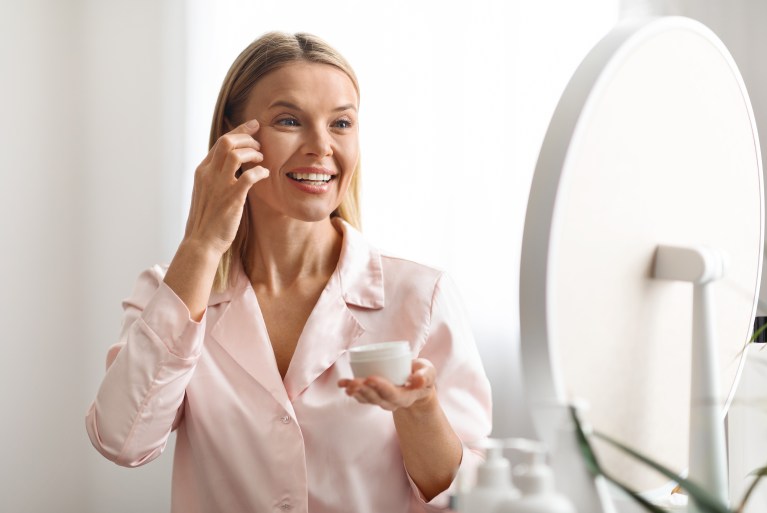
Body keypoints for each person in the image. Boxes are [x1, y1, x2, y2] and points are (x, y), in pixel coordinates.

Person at [86, 31, 492, 513]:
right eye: (289, 120)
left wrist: (419, 410)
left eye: (341, 123)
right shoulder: (172, 291)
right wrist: (202, 243)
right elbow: (122, 441)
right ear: (233, 141)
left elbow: (467, 495)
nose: (321, 146)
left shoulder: (421, 296)